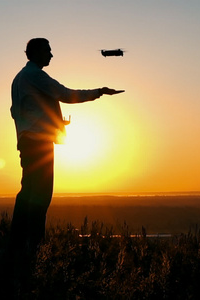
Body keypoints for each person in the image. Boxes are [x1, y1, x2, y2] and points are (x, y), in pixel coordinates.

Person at [9, 38, 124, 257]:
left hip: (27, 140)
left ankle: (18, 245)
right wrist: (99, 91)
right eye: (48, 51)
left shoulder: (19, 78)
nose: (51, 55)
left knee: (27, 193)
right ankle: (34, 248)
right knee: (41, 195)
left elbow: (20, 110)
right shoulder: (35, 75)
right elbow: (65, 94)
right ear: (35, 53)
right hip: (38, 142)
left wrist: (50, 120)